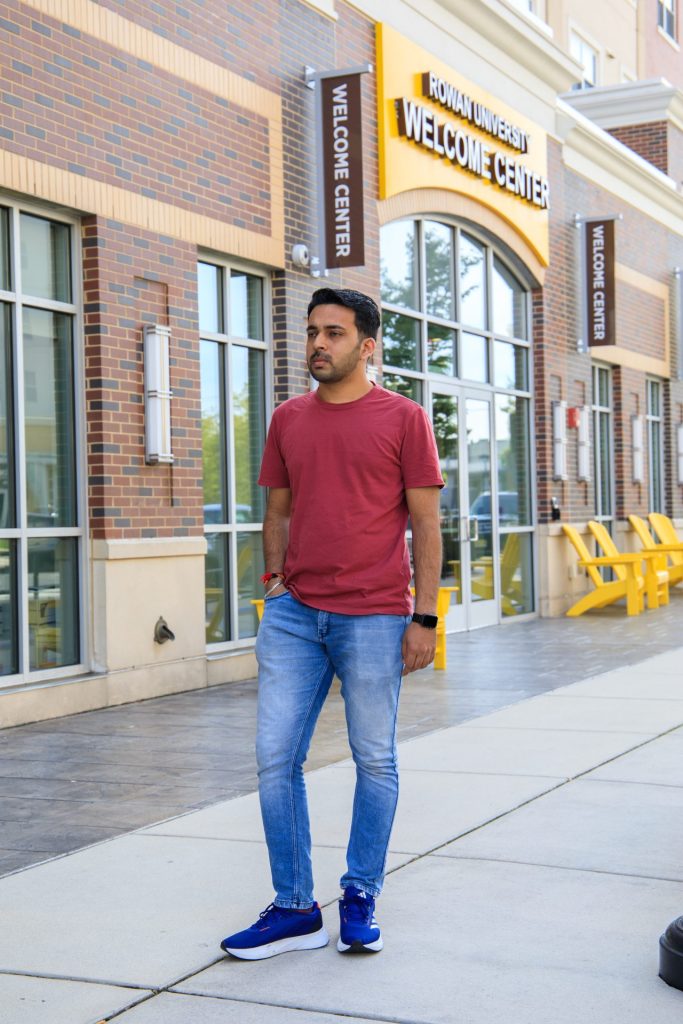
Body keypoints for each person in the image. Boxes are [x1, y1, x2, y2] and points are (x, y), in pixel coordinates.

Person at [221, 287, 443, 960]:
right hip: (295, 616)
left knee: (374, 759)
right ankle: (293, 908)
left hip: (374, 615)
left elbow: (427, 525)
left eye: (334, 333)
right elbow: (278, 511)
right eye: (312, 332)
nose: (318, 344)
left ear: (367, 345)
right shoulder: (288, 418)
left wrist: (424, 618)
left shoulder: (405, 420)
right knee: (273, 759)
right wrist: (275, 586)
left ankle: (359, 895)